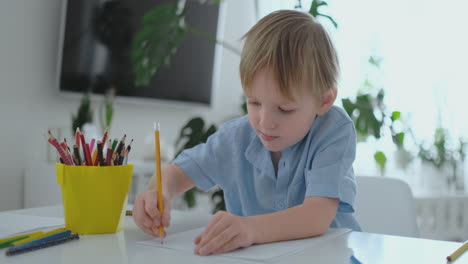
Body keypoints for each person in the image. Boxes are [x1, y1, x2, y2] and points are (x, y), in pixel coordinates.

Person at [133, 9, 361, 256]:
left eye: (284, 109)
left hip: (329, 256)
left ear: (324, 101)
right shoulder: (235, 137)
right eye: (253, 102)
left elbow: (317, 215)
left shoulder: (333, 131)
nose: (265, 122)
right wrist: (157, 194)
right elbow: (176, 173)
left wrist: (250, 229)